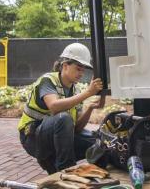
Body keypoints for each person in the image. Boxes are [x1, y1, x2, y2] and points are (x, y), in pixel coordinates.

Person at [18, 43, 103, 174]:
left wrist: (90, 108)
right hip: (32, 137)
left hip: (56, 138)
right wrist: (88, 93)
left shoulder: (75, 91)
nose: (81, 73)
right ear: (65, 66)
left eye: (83, 70)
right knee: (63, 117)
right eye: (78, 68)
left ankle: (59, 168)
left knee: (98, 143)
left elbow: (77, 128)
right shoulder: (48, 80)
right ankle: (67, 169)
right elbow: (54, 107)